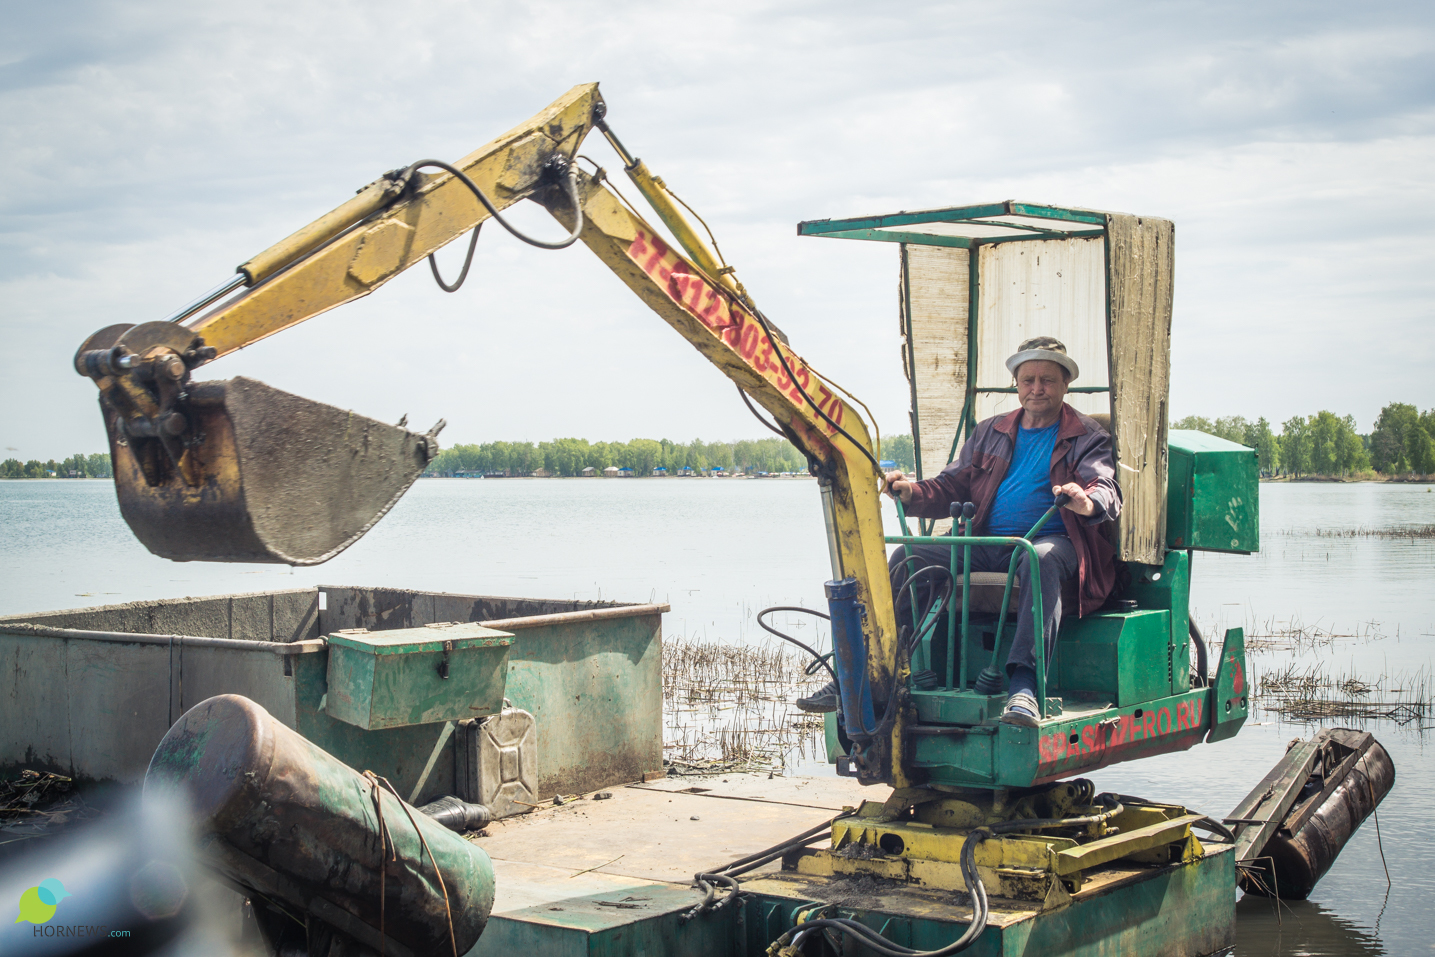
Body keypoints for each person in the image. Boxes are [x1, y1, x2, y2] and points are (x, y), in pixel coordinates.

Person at [797, 336, 1122, 727]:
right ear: (1016, 385)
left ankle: (1025, 688)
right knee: (907, 556)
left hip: (1054, 541)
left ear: (1065, 384)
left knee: (1039, 559)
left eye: (1048, 380)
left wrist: (1085, 501)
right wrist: (910, 491)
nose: (1037, 388)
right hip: (986, 542)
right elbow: (951, 485)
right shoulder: (991, 431)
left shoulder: (1087, 436)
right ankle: (865, 674)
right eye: (1029, 379)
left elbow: (1105, 488)